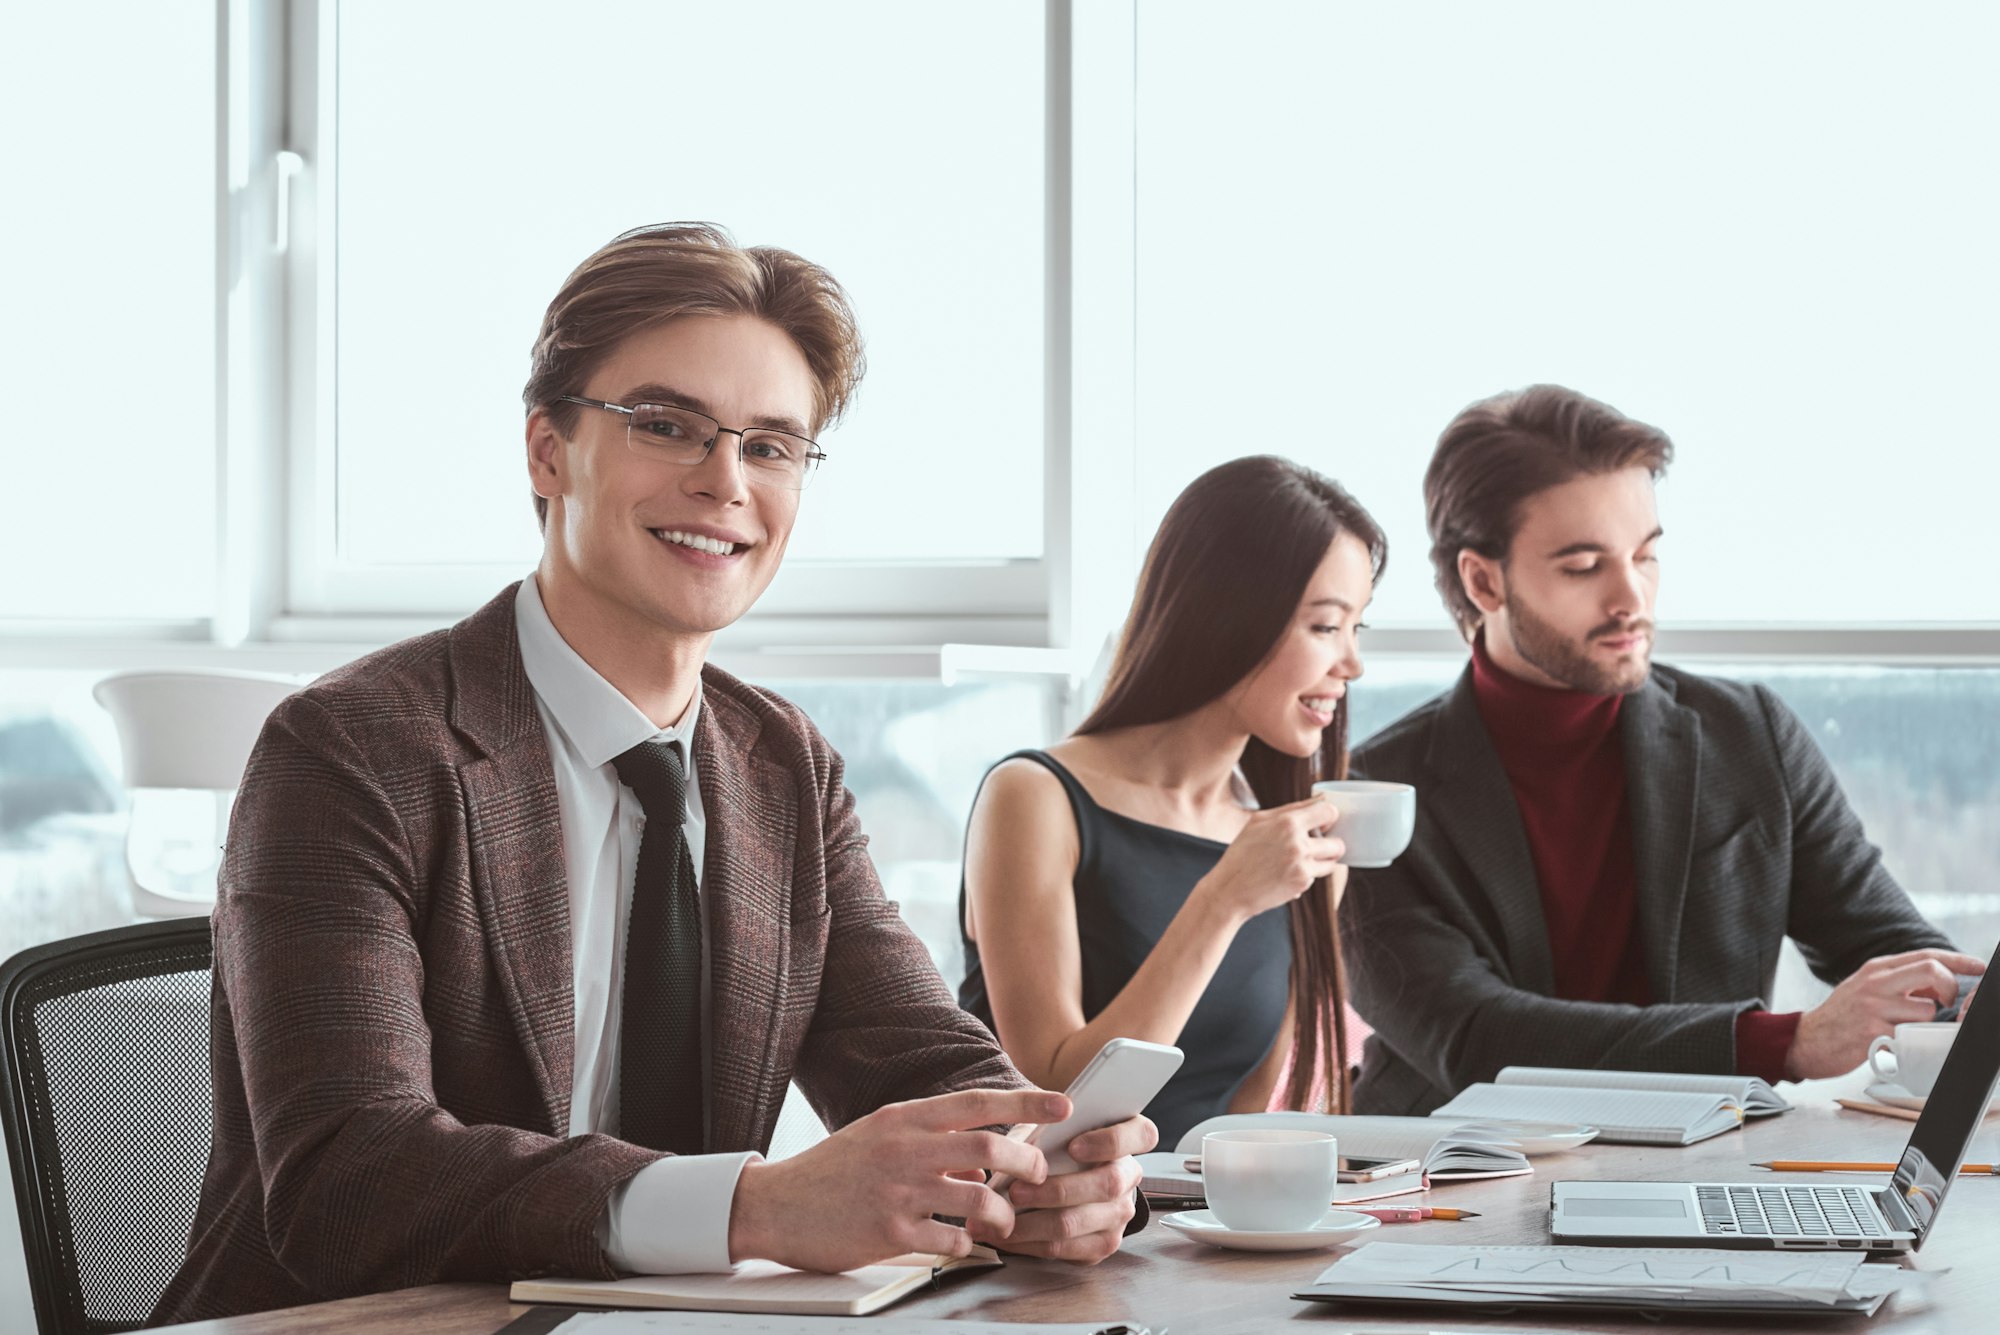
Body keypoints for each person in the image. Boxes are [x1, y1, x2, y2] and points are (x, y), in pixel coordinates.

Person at [154, 223, 1153, 1324]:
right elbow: (348, 1172)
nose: (724, 480)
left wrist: (1043, 1169)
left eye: (770, 446)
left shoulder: (783, 768)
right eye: (666, 425)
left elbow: (918, 1058)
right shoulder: (353, 750)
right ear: (547, 452)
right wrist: (757, 1208)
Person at [1343, 384, 1983, 1115]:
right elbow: (1475, 1037)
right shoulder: (1371, 794)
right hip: (1445, 1192)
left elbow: (1890, 946)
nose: (1632, 598)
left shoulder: (1749, 734)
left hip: (1706, 1174)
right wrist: (1787, 1042)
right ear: (1483, 579)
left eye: (1645, 556)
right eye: (1584, 567)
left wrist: (1960, 1001)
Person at [959, 456, 1386, 1147]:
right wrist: (1222, 900)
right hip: (1043, 1228)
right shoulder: (1033, 798)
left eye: (1356, 628)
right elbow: (1059, 1100)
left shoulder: (1289, 850)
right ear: (1228, 617)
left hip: (1196, 1234)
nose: (1352, 665)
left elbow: (1239, 1120)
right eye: (1324, 626)